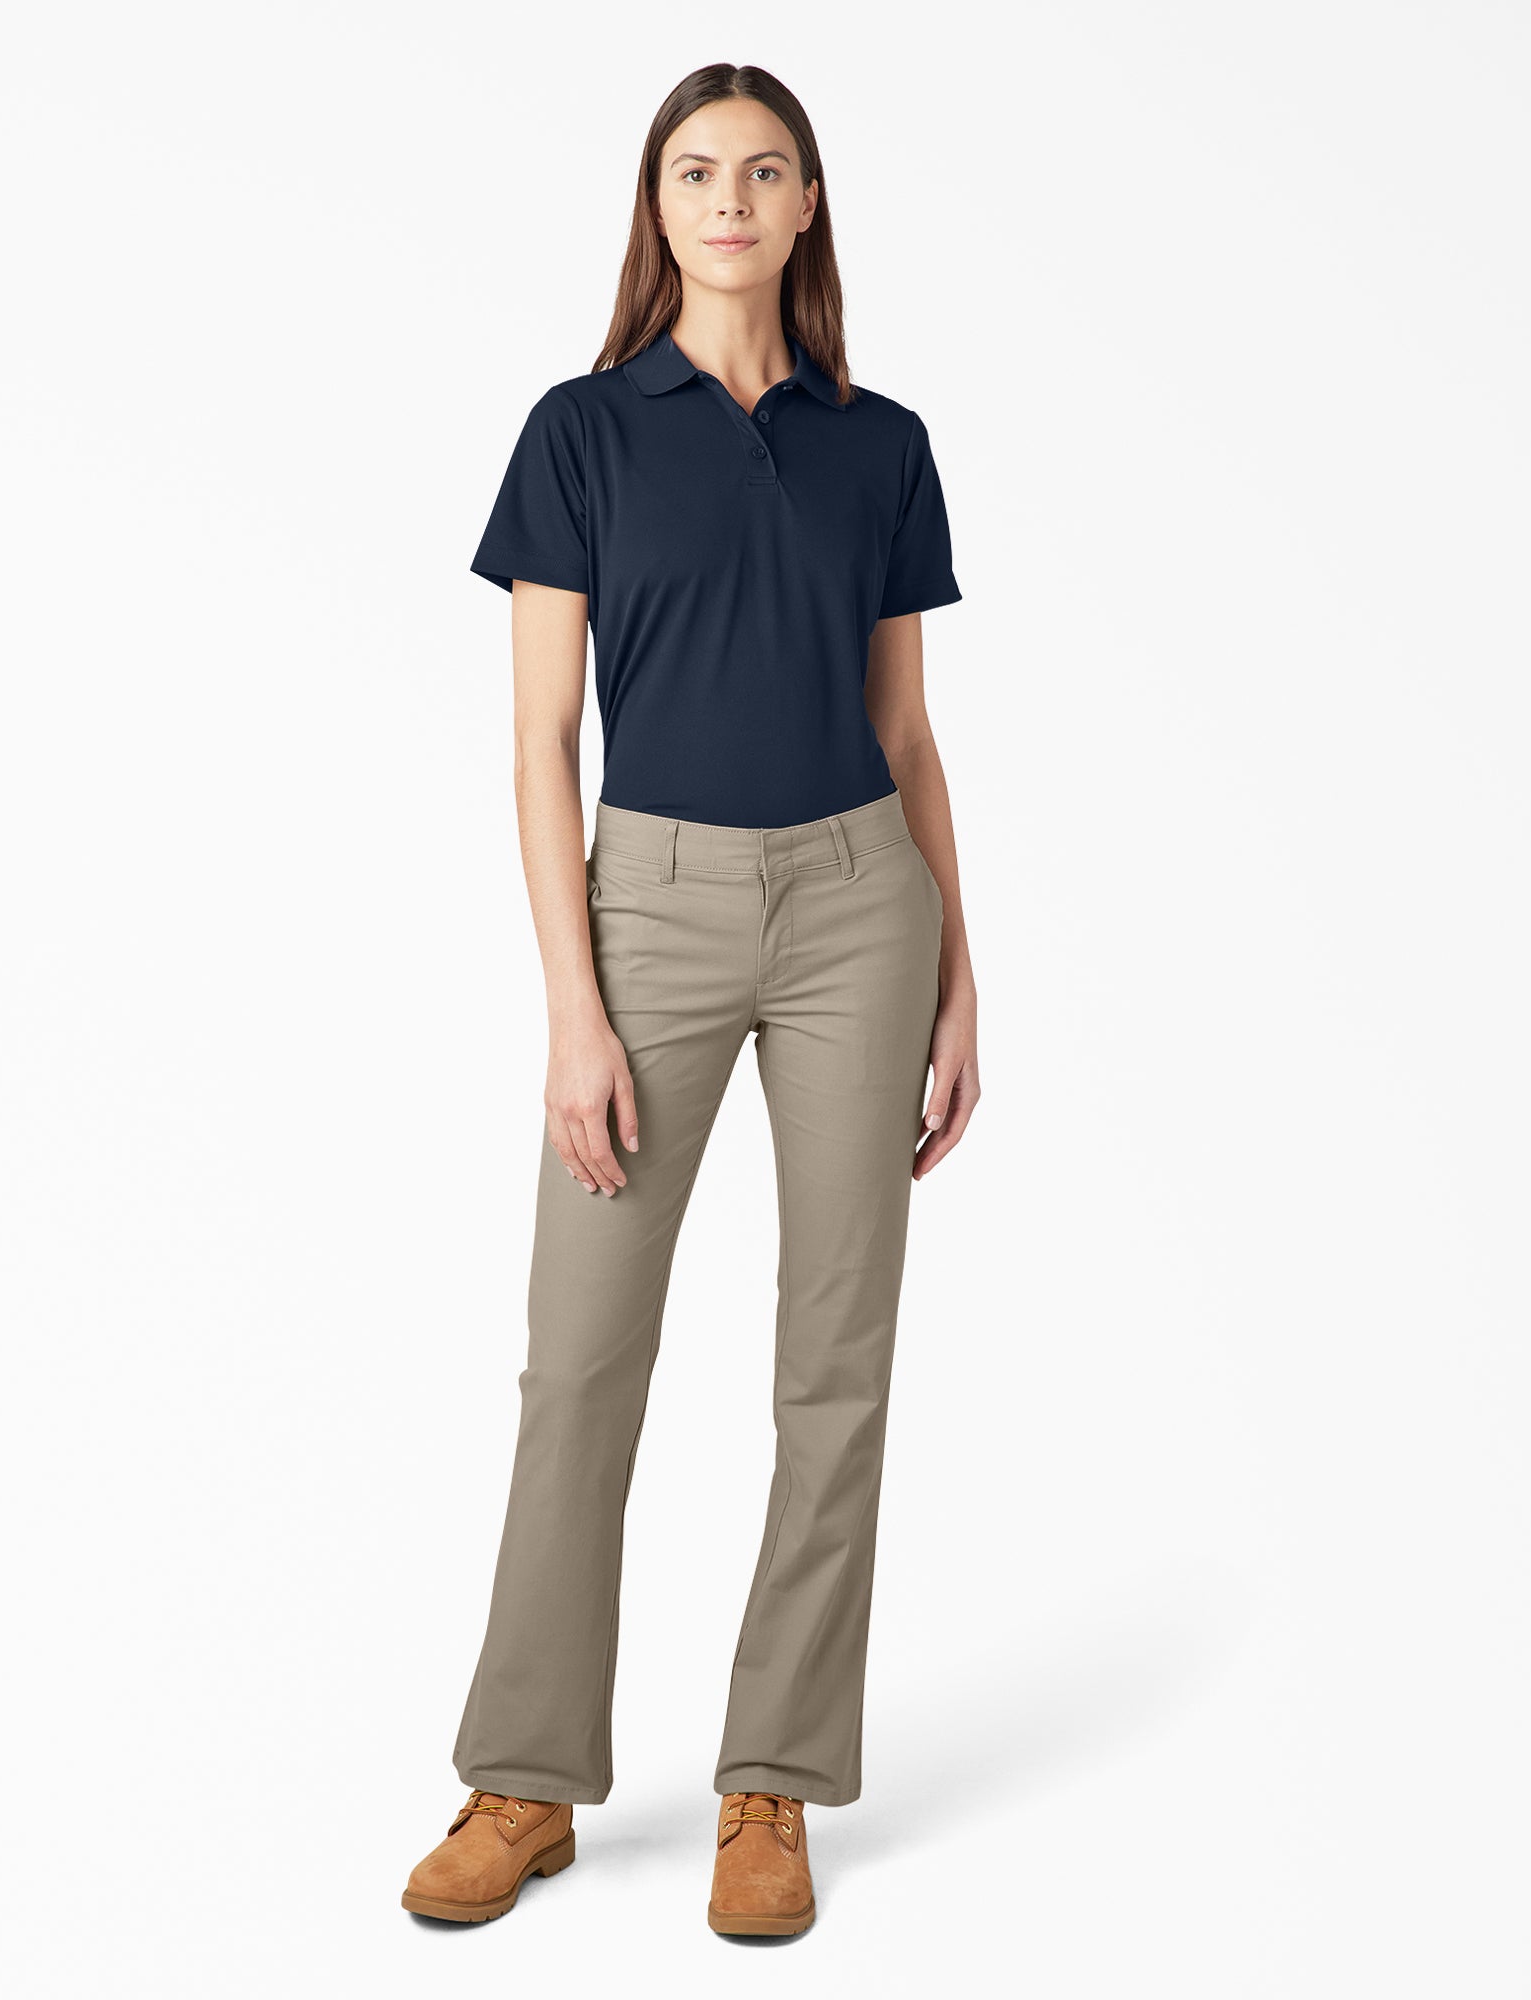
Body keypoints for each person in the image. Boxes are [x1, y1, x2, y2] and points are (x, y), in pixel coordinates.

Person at [400, 61, 980, 1939]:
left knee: (837, 1363)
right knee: (581, 1356)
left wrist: (958, 974)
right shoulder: (580, 433)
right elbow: (538, 745)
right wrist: (571, 1009)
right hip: (644, 906)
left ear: (808, 205)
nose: (730, 198)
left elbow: (907, 735)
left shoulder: (880, 445)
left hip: (858, 908)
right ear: (657, 207)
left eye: (765, 170)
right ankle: (525, 1780)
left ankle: (773, 1788)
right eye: (696, 170)